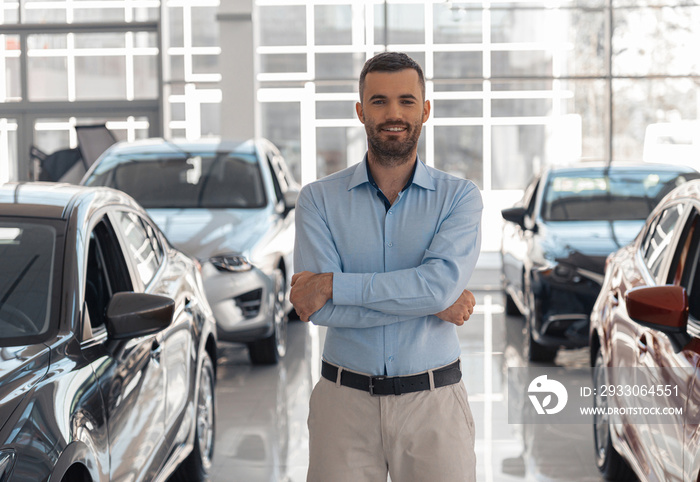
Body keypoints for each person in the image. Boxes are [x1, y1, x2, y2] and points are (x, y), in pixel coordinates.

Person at [290, 51, 482, 482]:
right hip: (343, 407)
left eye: (406, 101)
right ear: (360, 111)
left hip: (435, 407)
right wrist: (431, 302)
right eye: (378, 101)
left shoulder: (459, 198)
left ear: (425, 110)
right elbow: (320, 310)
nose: (393, 113)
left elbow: (435, 288)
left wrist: (335, 284)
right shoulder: (318, 199)